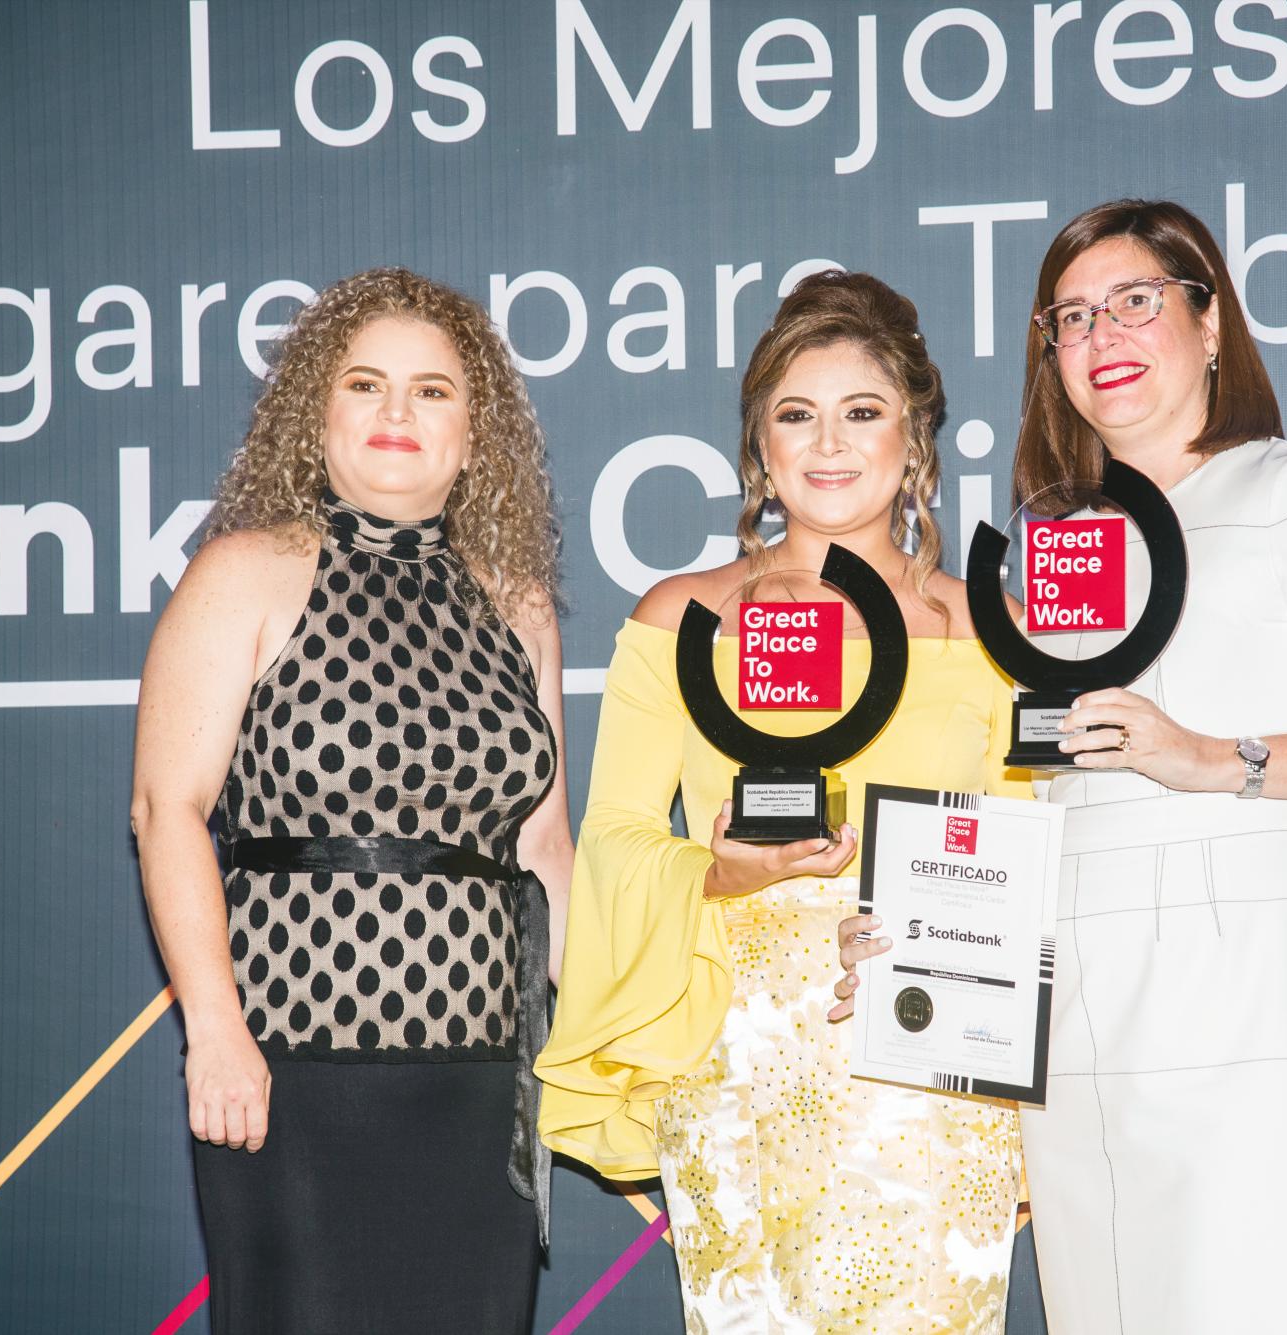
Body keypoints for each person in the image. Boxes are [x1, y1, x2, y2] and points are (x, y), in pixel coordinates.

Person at [840, 199, 1287, 1334]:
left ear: (1210, 323)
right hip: (1075, 996)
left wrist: (1209, 758)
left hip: (1250, 979)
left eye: (1134, 301)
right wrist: (920, 931)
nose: (1102, 337)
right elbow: (1042, 783)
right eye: (1072, 319)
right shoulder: (1056, 546)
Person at [536, 270, 1028, 1333]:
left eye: (862, 413)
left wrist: (925, 944)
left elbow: (1024, 857)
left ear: (916, 437)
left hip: (921, 1044)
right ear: (759, 448)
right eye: (794, 416)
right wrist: (716, 872)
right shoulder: (684, 617)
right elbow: (614, 835)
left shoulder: (988, 629)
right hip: (735, 1052)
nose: (828, 444)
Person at [130, 267, 573, 1335]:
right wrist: (214, 1028)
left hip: (480, 1080)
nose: (395, 413)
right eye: (365, 384)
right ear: (313, 414)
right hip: (291, 1069)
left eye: (431, 391)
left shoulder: (518, 605)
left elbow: (544, 844)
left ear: (476, 433)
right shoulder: (241, 572)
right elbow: (167, 811)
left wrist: (586, 1043)